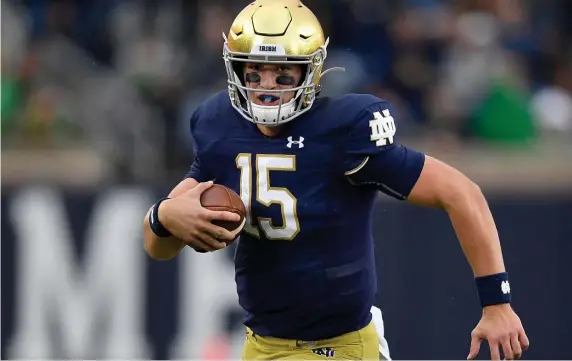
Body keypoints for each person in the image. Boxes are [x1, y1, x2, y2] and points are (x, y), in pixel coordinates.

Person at [143, 0, 529, 359]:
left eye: (283, 74)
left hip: (340, 346)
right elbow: (158, 245)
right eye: (254, 71)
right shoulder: (218, 125)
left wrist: (497, 302)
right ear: (235, 69)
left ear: (311, 71)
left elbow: (461, 192)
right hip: (260, 346)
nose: (266, 87)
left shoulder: (343, 130)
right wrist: (164, 216)